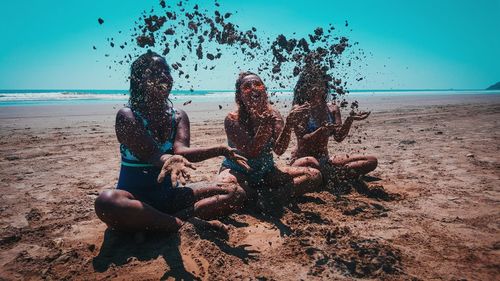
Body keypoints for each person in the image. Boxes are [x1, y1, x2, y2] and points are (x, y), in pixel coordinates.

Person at [95, 51, 250, 233]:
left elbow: (181, 151)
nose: (163, 76)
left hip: (169, 197)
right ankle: (180, 224)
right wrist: (169, 160)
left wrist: (221, 149)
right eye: (154, 72)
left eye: (166, 71)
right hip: (135, 200)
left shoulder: (178, 116)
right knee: (106, 202)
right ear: (138, 80)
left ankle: (166, 222)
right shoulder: (127, 115)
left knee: (234, 193)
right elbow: (153, 154)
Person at [216, 71, 323, 208]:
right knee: (230, 189)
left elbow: (279, 150)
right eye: (247, 87)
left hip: (266, 170)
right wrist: (264, 127)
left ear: (265, 91)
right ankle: (265, 196)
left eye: (258, 84)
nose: (253, 88)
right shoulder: (232, 119)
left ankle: (267, 197)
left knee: (314, 175)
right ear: (240, 96)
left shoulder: (274, 115)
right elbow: (251, 151)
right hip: (237, 171)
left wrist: (289, 124)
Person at [290, 62, 377, 181]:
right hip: (304, 160)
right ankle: (331, 176)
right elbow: (303, 140)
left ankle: (329, 176)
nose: (315, 87)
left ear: (324, 85)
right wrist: (320, 131)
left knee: (371, 161)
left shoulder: (332, 108)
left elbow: (339, 137)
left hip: (325, 159)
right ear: (304, 86)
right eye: (311, 83)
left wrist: (349, 120)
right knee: (314, 164)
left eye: (318, 82)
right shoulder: (300, 108)